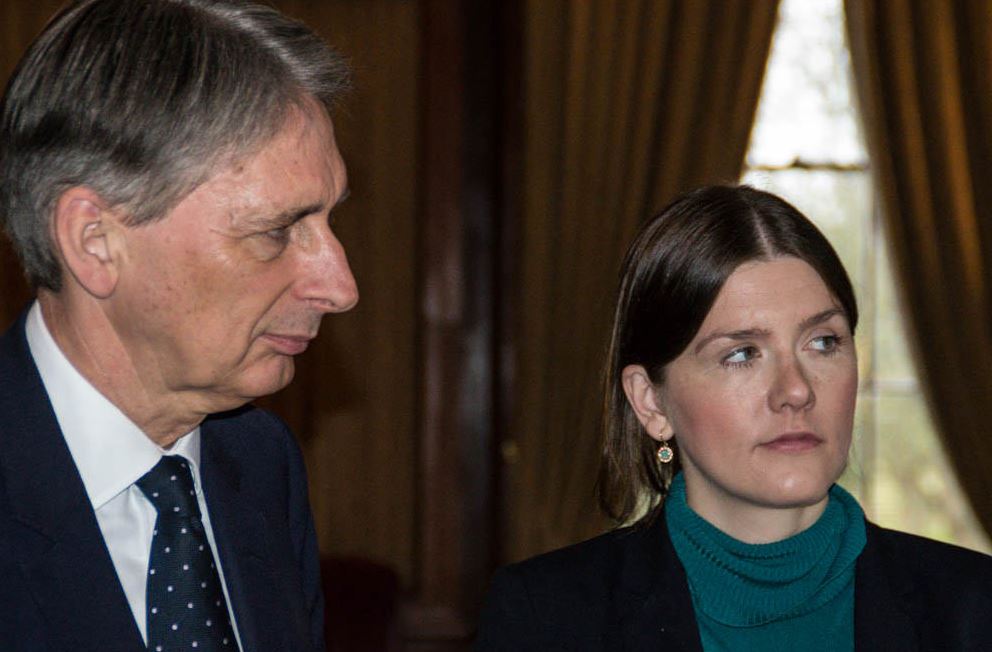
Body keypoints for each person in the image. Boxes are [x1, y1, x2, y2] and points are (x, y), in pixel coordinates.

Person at [476, 185, 992, 651]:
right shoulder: (546, 620)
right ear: (651, 403)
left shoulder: (973, 608)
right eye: (742, 353)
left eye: (823, 342)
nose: (796, 390)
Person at [0, 1, 358, 650]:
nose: (340, 288)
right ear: (95, 242)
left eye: (331, 223)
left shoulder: (260, 463)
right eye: (277, 231)